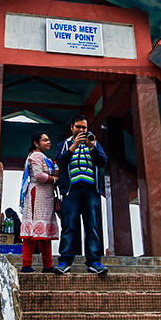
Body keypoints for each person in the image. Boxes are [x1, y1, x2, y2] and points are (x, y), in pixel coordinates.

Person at [54, 115, 109, 275]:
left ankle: (94, 262)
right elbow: (60, 161)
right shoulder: (64, 144)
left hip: (91, 190)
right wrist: (74, 146)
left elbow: (102, 161)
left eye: (84, 127)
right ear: (72, 127)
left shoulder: (94, 143)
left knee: (92, 226)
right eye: (78, 127)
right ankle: (65, 261)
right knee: (69, 226)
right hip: (72, 191)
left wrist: (92, 147)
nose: (82, 130)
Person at [19, 131, 60, 273]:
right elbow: (38, 175)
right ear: (36, 143)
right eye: (44, 140)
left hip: (46, 194)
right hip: (37, 194)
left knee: (45, 230)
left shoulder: (44, 157)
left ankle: (47, 265)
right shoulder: (36, 155)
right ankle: (27, 264)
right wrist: (56, 180)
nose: (48, 142)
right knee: (33, 229)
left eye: (49, 140)